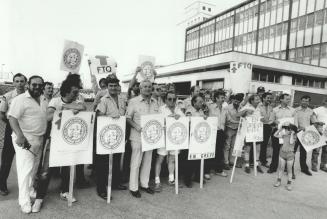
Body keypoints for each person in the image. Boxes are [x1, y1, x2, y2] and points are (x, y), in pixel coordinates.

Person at [32, 75, 86, 213]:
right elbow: (48, 117)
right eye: (74, 92)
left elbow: (84, 107)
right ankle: (39, 197)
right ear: (66, 91)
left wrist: (76, 107)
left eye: (77, 91)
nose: (77, 94)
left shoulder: (78, 100)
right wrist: (66, 110)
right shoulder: (56, 101)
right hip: (55, 140)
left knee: (67, 168)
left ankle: (65, 191)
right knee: (46, 170)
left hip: (69, 141)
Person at [8, 75, 47, 213]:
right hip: (25, 139)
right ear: (28, 85)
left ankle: (30, 191)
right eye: (34, 84)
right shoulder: (20, 100)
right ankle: (24, 201)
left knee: (33, 169)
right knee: (25, 171)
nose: (37, 87)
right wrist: (19, 135)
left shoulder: (43, 98)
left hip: (39, 139)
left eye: (39, 85)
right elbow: (12, 118)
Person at [95, 75, 127, 200]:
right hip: (107, 135)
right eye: (111, 86)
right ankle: (101, 188)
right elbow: (98, 116)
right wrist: (110, 119)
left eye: (115, 85)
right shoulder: (104, 100)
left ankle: (115, 183)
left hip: (118, 134)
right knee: (103, 163)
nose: (113, 88)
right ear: (107, 87)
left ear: (118, 86)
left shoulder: (122, 98)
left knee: (116, 159)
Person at [126, 80, 159, 198]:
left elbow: (158, 118)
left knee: (148, 161)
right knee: (136, 162)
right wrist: (137, 127)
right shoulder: (133, 101)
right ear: (140, 88)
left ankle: (144, 184)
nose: (148, 89)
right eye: (145, 86)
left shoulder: (155, 102)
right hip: (137, 136)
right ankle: (133, 187)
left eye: (150, 87)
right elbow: (128, 118)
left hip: (150, 137)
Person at [0, 73, 27, 196]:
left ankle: (29, 185)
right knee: (7, 158)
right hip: (12, 129)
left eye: (22, 81)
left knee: (28, 158)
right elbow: (2, 114)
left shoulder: (30, 96)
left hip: (27, 130)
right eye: (17, 81)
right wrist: (13, 125)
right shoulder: (7, 96)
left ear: (25, 82)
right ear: (13, 83)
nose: (20, 84)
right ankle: (2, 184)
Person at [154, 91, 184, 192]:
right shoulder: (161, 109)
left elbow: (185, 121)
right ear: (165, 100)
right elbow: (157, 122)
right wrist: (168, 119)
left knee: (172, 159)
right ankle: (157, 181)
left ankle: (171, 179)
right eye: (169, 99)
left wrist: (179, 118)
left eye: (174, 99)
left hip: (174, 138)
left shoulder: (178, 109)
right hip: (163, 138)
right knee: (160, 159)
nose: (172, 101)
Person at [181, 94, 206, 188]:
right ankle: (187, 179)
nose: (201, 103)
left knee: (199, 158)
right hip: (191, 138)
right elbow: (188, 123)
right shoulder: (189, 111)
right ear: (194, 102)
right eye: (199, 101)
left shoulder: (201, 111)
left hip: (199, 138)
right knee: (190, 160)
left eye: (202, 101)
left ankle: (197, 177)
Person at [268, 94, 296, 174]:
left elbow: (294, 122)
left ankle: (288, 169)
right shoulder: (275, 110)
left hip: (288, 133)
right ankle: (273, 167)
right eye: (287, 99)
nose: (289, 100)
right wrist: (274, 121)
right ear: (281, 100)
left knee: (288, 151)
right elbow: (270, 121)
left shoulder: (292, 110)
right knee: (276, 150)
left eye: (289, 99)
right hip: (278, 131)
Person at [239, 94, 264, 174]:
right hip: (248, 132)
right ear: (252, 101)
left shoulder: (259, 108)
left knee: (258, 149)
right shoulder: (247, 107)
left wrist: (263, 119)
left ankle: (256, 164)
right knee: (248, 149)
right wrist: (245, 111)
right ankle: (247, 165)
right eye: (256, 99)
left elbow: (261, 119)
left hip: (257, 132)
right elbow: (238, 115)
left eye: (258, 99)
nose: (259, 100)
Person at [206, 89, 227, 178]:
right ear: (216, 98)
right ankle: (206, 171)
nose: (223, 99)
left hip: (221, 132)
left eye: (224, 97)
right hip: (212, 132)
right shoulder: (210, 106)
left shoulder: (225, 108)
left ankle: (218, 170)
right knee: (209, 152)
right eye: (221, 98)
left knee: (219, 152)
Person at [293, 95, 316, 176]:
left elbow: (313, 122)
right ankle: (290, 168)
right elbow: (293, 121)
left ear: (309, 102)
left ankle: (304, 169)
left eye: (306, 101)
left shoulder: (311, 111)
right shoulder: (295, 110)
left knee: (303, 152)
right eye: (303, 101)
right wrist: (297, 128)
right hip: (296, 133)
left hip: (306, 134)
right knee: (293, 152)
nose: (305, 102)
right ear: (300, 101)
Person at [273, 122, 297, 191]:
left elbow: (291, 142)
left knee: (289, 170)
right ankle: (278, 181)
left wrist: (292, 134)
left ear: (291, 130)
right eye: (285, 129)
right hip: (282, 153)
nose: (286, 130)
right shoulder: (284, 135)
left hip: (290, 155)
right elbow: (275, 135)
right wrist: (280, 129)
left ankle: (289, 184)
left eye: (287, 129)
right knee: (281, 168)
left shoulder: (294, 136)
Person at [224, 93, 243, 168]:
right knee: (227, 146)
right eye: (235, 101)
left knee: (233, 146)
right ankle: (226, 162)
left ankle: (231, 161)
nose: (236, 103)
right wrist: (239, 122)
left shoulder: (241, 107)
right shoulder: (228, 108)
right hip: (229, 128)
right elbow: (229, 120)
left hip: (237, 129)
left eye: (238, 102)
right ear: (233, 100)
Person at [258, 92, 274, 167]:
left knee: (265, 145)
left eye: (270, 98)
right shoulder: (258, 106)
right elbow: (258, 117)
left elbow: (271, 118)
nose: (269, 99)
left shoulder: (271, 107)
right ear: (263, 98)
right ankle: (256, 160)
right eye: (268, 98)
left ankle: (263, 160)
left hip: (268, 127)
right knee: (258, 144)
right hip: (259, 127)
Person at [312, 98, 327, 172]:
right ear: (325, 102)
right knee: (316, 150)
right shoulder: (318, 109)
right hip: (319, 132)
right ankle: (314, 165)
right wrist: (317, 123)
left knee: (326, 151)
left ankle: (323, 166)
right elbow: (313, 117)